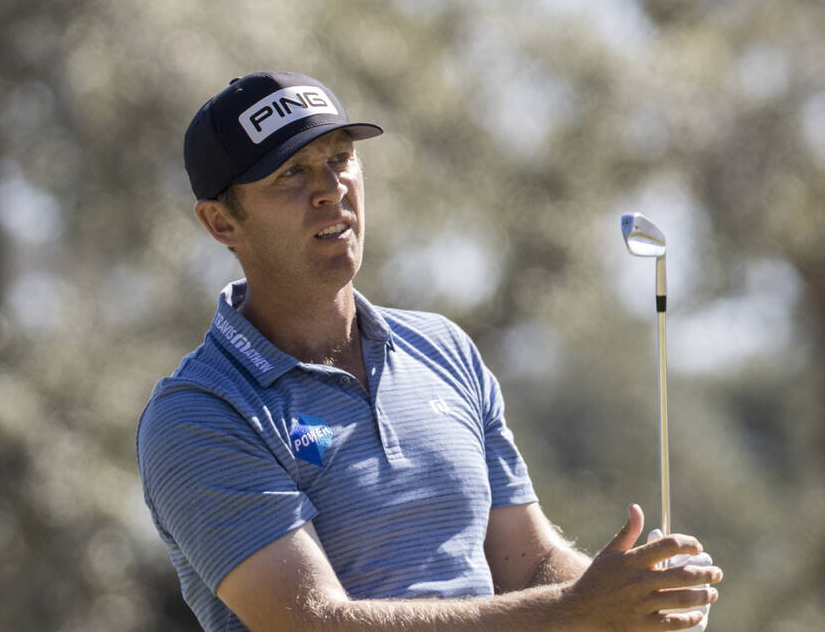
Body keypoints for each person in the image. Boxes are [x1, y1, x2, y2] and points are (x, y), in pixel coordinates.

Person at [136, 71, 721, 631]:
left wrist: (639, 601)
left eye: (340, 159)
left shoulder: (442, 348)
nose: (328, 190)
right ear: (221, 223)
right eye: (290, 174)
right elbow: (314, 623)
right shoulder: (198, 414)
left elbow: (529, 565)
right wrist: (577, 611)